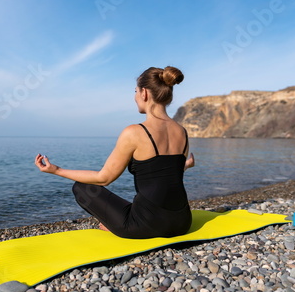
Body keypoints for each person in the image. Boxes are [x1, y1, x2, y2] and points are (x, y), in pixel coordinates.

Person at [34, 66, 195, 239]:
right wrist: (183, 166)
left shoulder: (135, 132)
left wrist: (56, 170)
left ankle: (113, 225)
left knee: (82, 188)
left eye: (135, 91)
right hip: (182, 223)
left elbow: (104, 178)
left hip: (146, 227)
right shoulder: (182, 132)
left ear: (144, 93)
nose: (134, 96)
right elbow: (165, 174)